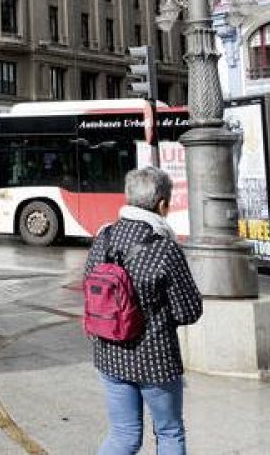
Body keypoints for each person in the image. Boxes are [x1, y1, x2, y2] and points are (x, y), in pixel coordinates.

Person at [86, 167, 203, 455]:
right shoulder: (164, 248)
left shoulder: (104, 237)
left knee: (123, 436)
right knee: (169, 432)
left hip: (108, 353)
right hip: (155, 360)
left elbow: (91, 289)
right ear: (162, 203)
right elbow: (189, 311)